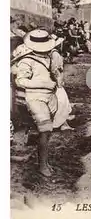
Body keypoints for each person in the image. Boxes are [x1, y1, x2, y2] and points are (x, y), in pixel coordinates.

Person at [14, 29, 59, 177]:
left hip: (50, 97)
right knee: (45, 130)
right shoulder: (27, 60)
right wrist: (44, 83)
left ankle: (43, 161)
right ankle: (42, 166)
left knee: (46, 132)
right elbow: (20, 80)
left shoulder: (49, 57)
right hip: (36, 99)